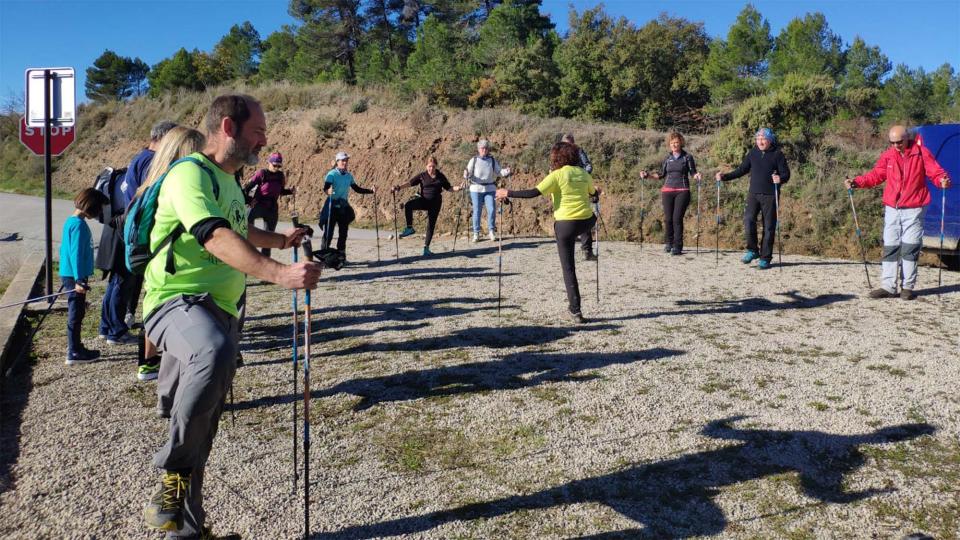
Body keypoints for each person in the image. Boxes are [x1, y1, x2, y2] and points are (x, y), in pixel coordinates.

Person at [141, 94, 320, 539]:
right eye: (258, 130)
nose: (265, 138)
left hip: (222, 309)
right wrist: (280, 275)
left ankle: (187, 529)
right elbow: (213, 235)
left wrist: (281, 242)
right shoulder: (189, 176)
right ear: (228, 127)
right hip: (178, 301)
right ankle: (172, 470)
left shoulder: (229, 180)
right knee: (212, 353)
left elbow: (239, 230)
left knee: (204, 420)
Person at [133, 126, 207, 383]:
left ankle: (150, 366)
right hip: (173, 269)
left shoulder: (154, 180)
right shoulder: (180, 182)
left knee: (156, 308)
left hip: (157, 264)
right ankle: (154, 368)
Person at [496, 141, 599, 324]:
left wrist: (507, 192)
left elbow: (533, 193)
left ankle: (575, 311)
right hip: (586, 222)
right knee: (587, 221)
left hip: (566, 224)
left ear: (557, 158)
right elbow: (593, 193)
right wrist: (595, 192)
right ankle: (587, 248)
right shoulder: (584, 173)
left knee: (569, 268)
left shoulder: (557, 175)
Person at [845, 125, 950, 300]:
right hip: (892, 207)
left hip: (915, 207)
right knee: (891, 246)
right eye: (892, 142)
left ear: (907, 138)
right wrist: (857, 182)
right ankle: (888, 287)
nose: (895, 145)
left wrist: (942, 180)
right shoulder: (888, 155)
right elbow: (876, 175)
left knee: (910, 246)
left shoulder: (921, 153)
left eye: (899, 142)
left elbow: (936, 172)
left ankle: (907, 287)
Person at [119, 121, 178, 329]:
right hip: (143, 229)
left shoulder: (141, 157)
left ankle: (134, 316)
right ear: (163, 139)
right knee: (147, 280)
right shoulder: (152, 161)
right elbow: (152, 196)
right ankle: (149, 324)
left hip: (133, 226)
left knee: (136, 279)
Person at [715, 127, 790, 270]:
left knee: (769, 227)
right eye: (758, 139)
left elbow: (786, 174)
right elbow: (742, 170)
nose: (760, 141)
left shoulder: (777, 154)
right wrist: (724, 177)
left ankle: (765, 258)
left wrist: (779, 178)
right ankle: (753, 250)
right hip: (753, 194)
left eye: (763, 139)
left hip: (770, 195)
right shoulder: (753, 153)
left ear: (770, 140)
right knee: (748, 220)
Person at [61, 188, 109, 364]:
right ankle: (73, 352)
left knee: (78, 311)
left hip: (70, 274)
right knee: (76, 313)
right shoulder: (79, 226)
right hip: (75, 277)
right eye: (99, 208)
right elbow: (76, 254)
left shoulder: (71, 221)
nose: (99, 213)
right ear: (91, 206)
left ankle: (76, 347)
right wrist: (79, 279)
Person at [640, 132, 702, 255]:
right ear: (669, 144)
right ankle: (669, 243)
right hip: (667, 191)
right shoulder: (667, 158)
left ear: (681, 143)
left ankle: (677, 246)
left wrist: (697, 176)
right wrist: (647, 175)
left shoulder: (687, 157)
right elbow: (661, 174)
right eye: (672, 143)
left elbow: (693, 172)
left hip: (682, 191)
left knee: (676, 218)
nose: (674, 144)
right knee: (668, 219)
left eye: (677, 142)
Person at [392, 156, 463, 256]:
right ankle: (409, 228)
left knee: (431, 225)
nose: (431, 169)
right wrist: (399, 187)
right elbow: (410, 183)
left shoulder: (441, 176)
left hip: (436, 203)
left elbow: (449, 188)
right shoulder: (422, 175)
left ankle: (426, 248)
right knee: (408, 205)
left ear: (436, 166)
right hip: (424, 200)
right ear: (426, 166)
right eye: (429, 166)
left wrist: (459, 188)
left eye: (433, 166)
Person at [320, 151, 375, 259]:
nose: (345, 162)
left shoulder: (349, 176)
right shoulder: (332, 174)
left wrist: (371, 191)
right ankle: (324, 257)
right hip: (331, 206)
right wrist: (328, 191)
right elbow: (326, 187)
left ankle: (341, 256)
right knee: (328, 234)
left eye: (346, 160)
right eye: (343, 160)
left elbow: (357, 189)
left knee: (343, 233)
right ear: (337, 162)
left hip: (342, 207)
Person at [243, 151, 292, 257]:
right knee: (248, 230)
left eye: (279, 166)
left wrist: (290, 191)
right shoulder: (262, 173)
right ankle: (249, 255)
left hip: (272, 208)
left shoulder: (280, 176)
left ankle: (265, 262)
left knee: (269, 238)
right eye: (275, 165)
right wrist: (249, 200)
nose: (277, 168)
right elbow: (247, 188)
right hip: (258, 205)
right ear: (269, 163)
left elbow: (281, 191)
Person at [464, 139, 511, 242]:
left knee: (492, 209)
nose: (484, 150)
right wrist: (466, 174)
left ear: (488, 149)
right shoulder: (474, 160)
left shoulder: (492, 160)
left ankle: (491, 231)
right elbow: (468, 172)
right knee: (477, 210)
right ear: (478, 149)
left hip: (490, 188)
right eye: (482, 148)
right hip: (476, 188)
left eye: (485, 148)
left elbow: (499, 172)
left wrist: (506, 171)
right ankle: (476, 233)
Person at [561, 133, 596, 260]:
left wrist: (581, 175)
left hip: (579, 187)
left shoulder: (579, 151)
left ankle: (587, 250)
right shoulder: (559, 154)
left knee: (583, 215)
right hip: (564, 187)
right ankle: (567, 249)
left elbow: (588, 166)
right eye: (567, 144)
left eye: (571, 143)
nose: (569, 146)